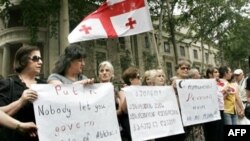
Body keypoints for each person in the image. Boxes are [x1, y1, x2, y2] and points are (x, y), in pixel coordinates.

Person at [0, 44, 46, 141]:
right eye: (36, 58)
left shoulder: (45, 86)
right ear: (23, 61)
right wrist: (21, 101)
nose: (41, 62)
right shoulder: (8, 84)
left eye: (40, 59)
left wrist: (77, 88)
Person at [118, 66, 142, 141]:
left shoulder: (142, 91)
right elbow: (124, 110)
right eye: (138, 77)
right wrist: (130, 92)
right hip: (130, 127)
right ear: (131, 80)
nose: (140, 79)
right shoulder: (123, 92)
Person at [204, 67, 224, 141]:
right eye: (215, 72)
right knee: (213, 133)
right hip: (212, 112)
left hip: (220, 110)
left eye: (218, 72)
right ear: (210, 74)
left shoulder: (218, 83)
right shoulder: (206, 84)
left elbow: (219, 97)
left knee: (220, 132)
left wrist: (224, 92)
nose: (218, 74)